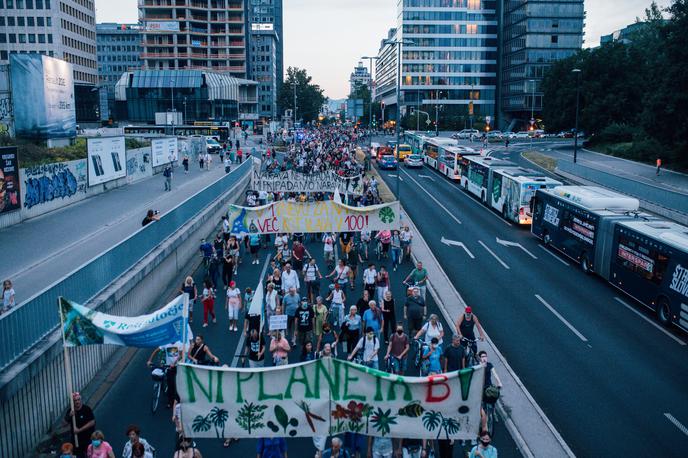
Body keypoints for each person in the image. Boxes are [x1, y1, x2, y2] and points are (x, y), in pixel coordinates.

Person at [64, 392, 95, 458]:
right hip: (76, 441)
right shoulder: (70, 411)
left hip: (87, 439)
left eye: (78, 400)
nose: (77, 402)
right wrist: (69, 416)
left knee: (90, 455)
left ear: (81, 400)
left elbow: (92, 422)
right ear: (73, 402)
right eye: (75, 400)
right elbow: (64, 424)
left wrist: (79, 430)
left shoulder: (86, 409)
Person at [479, 350, 503, 432]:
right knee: (481, 405)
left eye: (485, 356)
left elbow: (495, 374)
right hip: (480, 388)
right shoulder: (478, 367)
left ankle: (493, 411)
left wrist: (499, 382)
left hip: (488, 387)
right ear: (480, 358)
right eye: (482, 357)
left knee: (494, 396)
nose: (484, 358)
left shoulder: (489, 365)